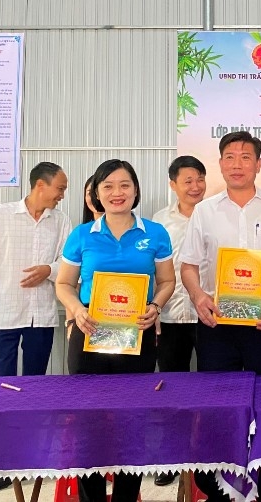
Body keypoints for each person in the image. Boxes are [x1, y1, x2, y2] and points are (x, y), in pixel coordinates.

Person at [180, 131, 261, 502]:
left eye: (245, 157)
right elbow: (188, 266)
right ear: (220, 164)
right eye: (230, 157)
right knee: (221, 410)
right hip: (218, 327)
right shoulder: (205, 211)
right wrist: (199, 295)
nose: (237, 164)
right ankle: (223, 491)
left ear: (258, 164)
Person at [56, 159, 175, 502]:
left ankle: (126, 496)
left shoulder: (155, 233)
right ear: (95, 193)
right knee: (87, 424)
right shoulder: (82, 235)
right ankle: (91, 497)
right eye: (107, 186)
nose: (116, 193)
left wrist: (156, 307)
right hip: (89, 337)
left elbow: (167, 280)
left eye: (124, 185)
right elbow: (64, 283)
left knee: (131, 422)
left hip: (137, 338)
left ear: (135, 190)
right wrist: (77, 310)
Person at [0, 161, 71, 494]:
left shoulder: (61, 221)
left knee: (35, 389)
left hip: (41, 316)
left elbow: (68, 261)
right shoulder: (0, 215)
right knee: (2, 390)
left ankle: (33, 459)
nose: (62, 196)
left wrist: (49, 270)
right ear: (40, 185)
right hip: (2, 314)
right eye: (60, 188)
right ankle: (4, 465)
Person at [150, 155, 207, 487]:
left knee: (212, 387)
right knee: (170, 386)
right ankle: (171, 456)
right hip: (171, 316)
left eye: (199, 178)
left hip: (210, 315)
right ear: (173, 185)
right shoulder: (160, 223)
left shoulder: (216, 213)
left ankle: (209, 455)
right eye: (187, 180)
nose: (195, 186)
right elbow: (155, 272)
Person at [65, 175, 105, 344]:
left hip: (126, 319)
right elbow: (70, 284)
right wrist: (70, 322)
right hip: (86, 321)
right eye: (89, 193)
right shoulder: (80, 234)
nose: (94, 198)